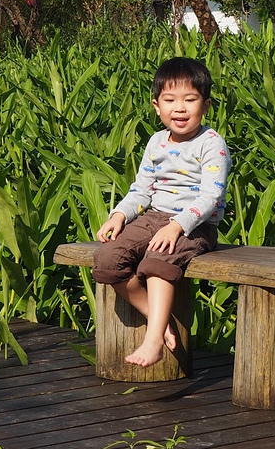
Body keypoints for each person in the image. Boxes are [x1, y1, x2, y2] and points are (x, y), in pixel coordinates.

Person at [93, 57, 231, 368]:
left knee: (157, 260)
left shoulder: (211, 144)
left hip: (196, 224)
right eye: (170, 100)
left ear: (205, 105)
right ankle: (158, 320)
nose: (179, 108)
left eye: (190, 100)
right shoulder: (156, 142)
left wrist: (178, 227)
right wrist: (119, 216)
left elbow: (212, 195)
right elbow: (141, 190)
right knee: (107, 258)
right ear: (157, 106)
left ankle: (153, 340)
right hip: (154, 216)